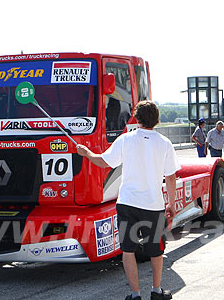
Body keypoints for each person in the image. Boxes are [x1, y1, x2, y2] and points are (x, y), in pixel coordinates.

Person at [76, 101, 179, 300]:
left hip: (127, 203)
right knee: (155, 250)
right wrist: (172, 204)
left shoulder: (126, 140)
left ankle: (134, 295)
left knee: (128, 249)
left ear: (137, 118)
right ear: (156, 119)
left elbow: (104, 162)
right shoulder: (164, 143)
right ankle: (156, 291)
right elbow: (171, 177)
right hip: (153, 205)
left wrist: (86, 153)